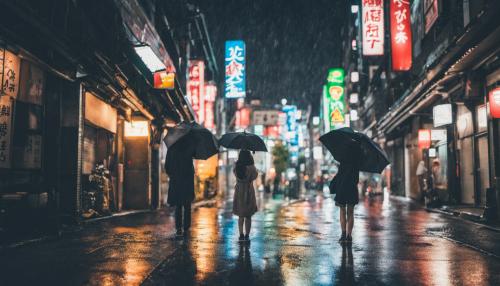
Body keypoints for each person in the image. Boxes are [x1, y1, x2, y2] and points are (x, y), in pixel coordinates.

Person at [165, 136, 196, 237]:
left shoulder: (171, 149)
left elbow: (167, 168)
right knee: (187, 205)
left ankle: (178, 228)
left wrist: (172, 174)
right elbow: (191, 169)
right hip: (187, 182)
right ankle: (186, 228)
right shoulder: (189, 148)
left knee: (178, 205)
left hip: (176, 181)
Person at [332, 141, 360, 244]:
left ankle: (343, 235)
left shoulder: (342, 158)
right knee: (351, 212)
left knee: (342, 211)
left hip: (342, 188)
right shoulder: (357, 160)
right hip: (352, 188)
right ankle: (349, 235)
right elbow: (356, 179)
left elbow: (339, 175)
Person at [233, 150, 258, 243]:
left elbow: (234, 173)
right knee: (248, 215)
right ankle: (247, 235)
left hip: (239, 191)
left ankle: (241, 235)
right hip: (248, 191)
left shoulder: (237, 166)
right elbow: (255, 176)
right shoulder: (251, 168)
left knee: (240, 215)